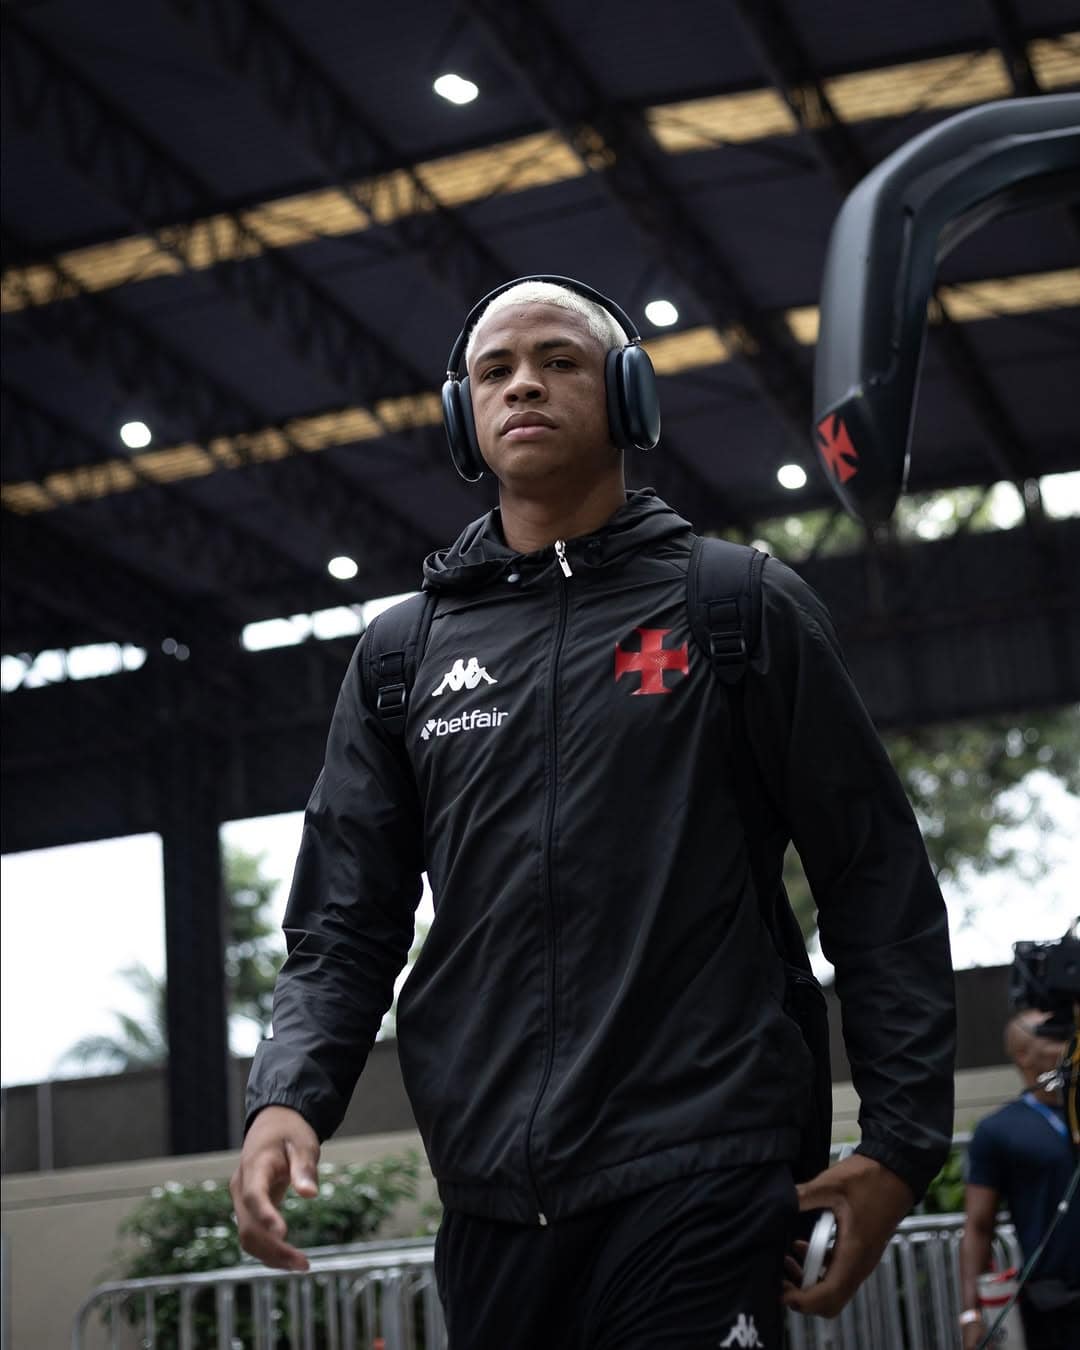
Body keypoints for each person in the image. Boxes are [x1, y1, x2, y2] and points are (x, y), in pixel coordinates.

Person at [231, 278, 956, 1347]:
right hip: (490, 1199)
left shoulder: (735, 606)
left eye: (561, 360)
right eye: (495, 370)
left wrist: (902, 1140)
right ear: (462, 416)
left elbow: (874, 877)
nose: (524, 382)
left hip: (702, 1165)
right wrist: (288, 1092)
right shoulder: (402, 657)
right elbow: (344, 918)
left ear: (627, 393)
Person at [959, 1010, 1080, 1350]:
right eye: (1056, 1037)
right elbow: (978, 1226)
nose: (1071, 1042)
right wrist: (971, 1313)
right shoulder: (997, 1130)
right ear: (1023, 1054)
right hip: (1054, 1303)